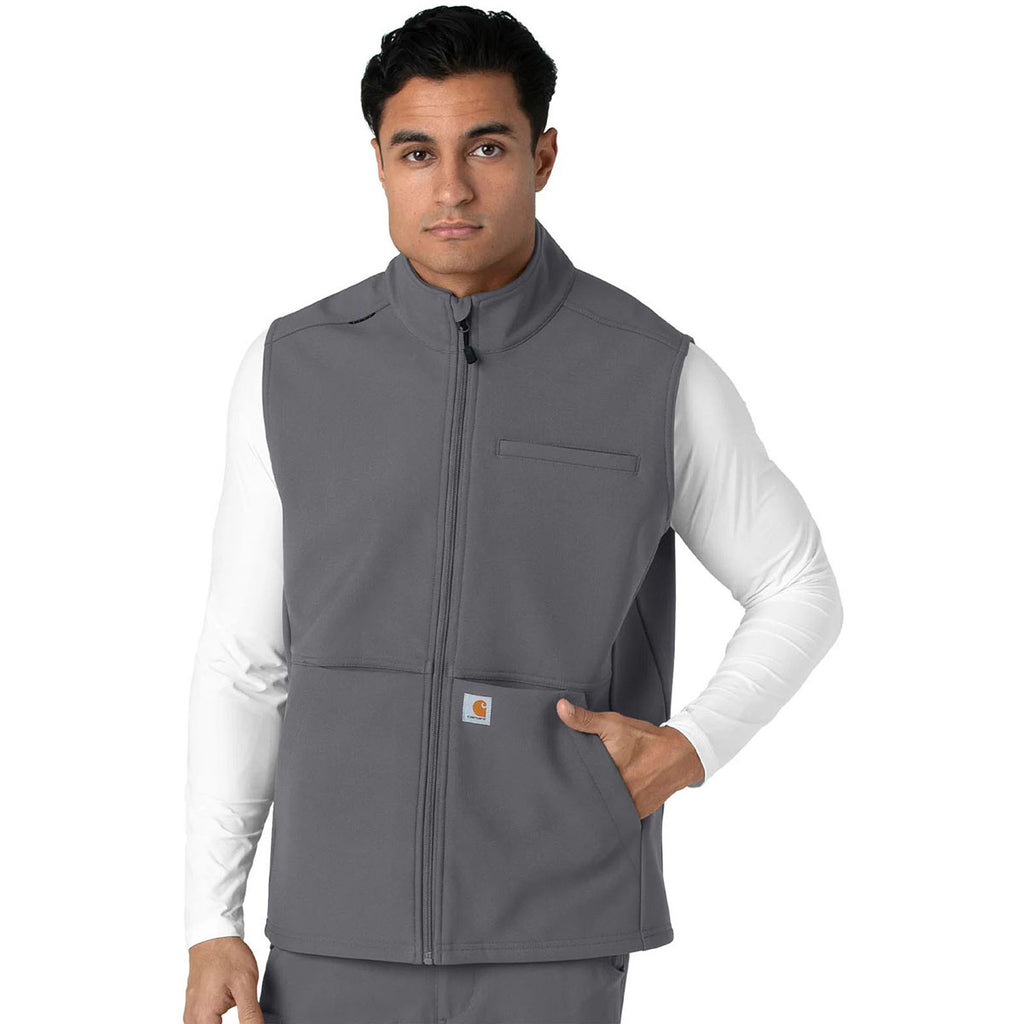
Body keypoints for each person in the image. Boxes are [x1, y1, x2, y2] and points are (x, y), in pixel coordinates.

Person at [182, 7, 844, 1023]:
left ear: (542, 156)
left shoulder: (653, 372)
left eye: (486, 148)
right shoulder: (291, 368)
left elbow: (798, 585)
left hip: (557, 922)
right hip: (333, 920)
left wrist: (691, 747)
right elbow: (244, 659)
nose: (450, 188)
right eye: (417, 152)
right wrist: (210, 918)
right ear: (379, 164)